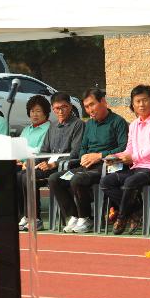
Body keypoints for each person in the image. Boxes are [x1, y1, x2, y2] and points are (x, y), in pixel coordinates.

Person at [48, 88, 128, 234]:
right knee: (55, 179)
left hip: (107, 166)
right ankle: (74, 215)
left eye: (92, 104)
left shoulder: (118, 122)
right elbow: (83, 148)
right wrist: (85, 157)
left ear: (103, 101)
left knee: (77, 179)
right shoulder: (89, 124)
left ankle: (86, 218)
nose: (90, 110)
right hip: (87, 166)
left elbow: (124, 148)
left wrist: (99, 155)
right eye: (86, 107)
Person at [100, 85, 150, 235]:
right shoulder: (133, 125)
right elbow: (129, 149)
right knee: (106, 182)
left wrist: (133, 157)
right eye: (137, 101)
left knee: (130, 182)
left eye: (145, 100)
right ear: (132, 105)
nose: (141, 104)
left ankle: (122, 217)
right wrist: (116, 158)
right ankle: (137, 210)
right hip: (138, 168)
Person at [17, 92, 84, 232]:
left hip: (66, 166)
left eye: (64, 107)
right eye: (57, 108)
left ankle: (67, 216)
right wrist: (32, 162)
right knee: (23, 174)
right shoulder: (52, 127)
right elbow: (44, 151)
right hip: (49, 166)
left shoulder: (78, 124)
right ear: (53, 109)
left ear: (70, 107)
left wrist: (55, 163)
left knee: (31, 176)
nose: (60, 111)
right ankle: (32, 217)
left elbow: (75, 153)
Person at [15, 94, 52, 231]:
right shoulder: (26, 129)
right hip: (24, 163)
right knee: (11, 175)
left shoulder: (49, 129)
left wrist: (26, 158)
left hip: (41, 164)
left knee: (24, 176)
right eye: (32, 111)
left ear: (46, 113)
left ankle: (35, 217)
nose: (34, 114)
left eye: (38, 111)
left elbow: (41, 150)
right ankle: (23, 215)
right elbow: (19, 146)